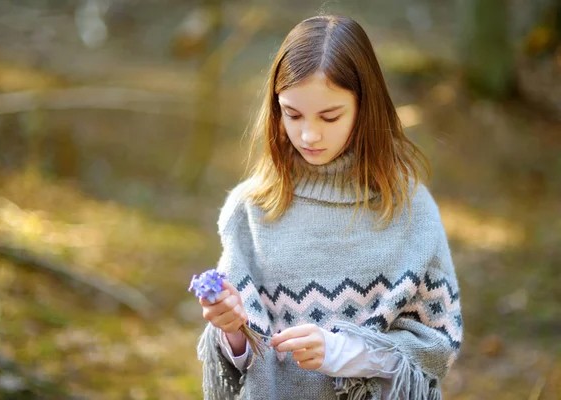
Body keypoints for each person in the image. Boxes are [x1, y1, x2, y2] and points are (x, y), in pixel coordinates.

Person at [195, 14, 462, 400]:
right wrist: (232, 330)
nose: (308, 134)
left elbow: (439, 346)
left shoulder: (410, 210)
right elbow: (236, 364)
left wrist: (346, 354)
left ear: (365, 107)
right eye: (292, 113)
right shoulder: (251, 208)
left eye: (330, 116)